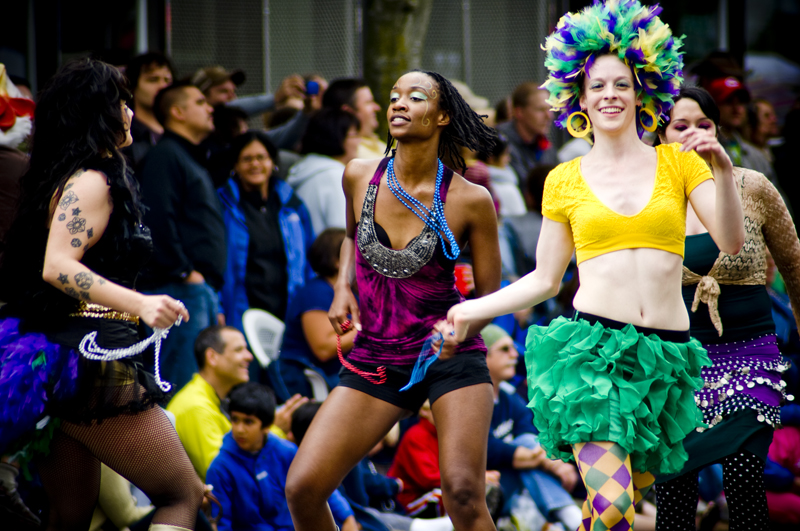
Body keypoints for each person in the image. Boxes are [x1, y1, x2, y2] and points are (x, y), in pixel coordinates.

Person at [445, 2, 745, 530]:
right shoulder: (564, 179)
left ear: (643, 91)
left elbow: (730, 240)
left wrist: (720, 166)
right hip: (593, 356)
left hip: (664, 360)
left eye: (622, 84)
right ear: (579, 98)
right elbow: (543, 279)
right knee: (613, 509)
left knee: (614, 517)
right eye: (597, 86)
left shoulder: (679, 162)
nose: (609, 95)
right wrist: (472, 310)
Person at [285, 69, 501, 531]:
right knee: (302, 486)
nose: (399, 104)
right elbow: (348, 236)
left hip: (449, 355)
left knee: (463, 493)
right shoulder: (359, 176)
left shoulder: (471, 199)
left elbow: (490, 297)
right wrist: (343, 288)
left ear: (442, 115)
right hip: (377, 355)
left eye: (415, 97)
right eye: (393, 96)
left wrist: (463, 328)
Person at [0, 58, 202, 531]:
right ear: (97, 113)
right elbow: (58, 266)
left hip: (61, 362)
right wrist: (142, 304)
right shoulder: (92, 180)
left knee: (71, 514)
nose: (130, 112)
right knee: (182, 496)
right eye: (122, 103)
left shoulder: (63, 176)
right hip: (85, 361)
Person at [652, 86, 799, 530]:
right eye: (681, 126)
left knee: (744, 480)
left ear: (718, 131)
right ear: (660, 136)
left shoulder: (751, 185)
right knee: (675, 496)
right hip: (678, 365)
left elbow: (793, 265)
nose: (694, 134)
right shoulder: (647, 197)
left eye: (704, 124)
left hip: (750, 359)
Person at [138, 81, 225, 393]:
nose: (210, 107)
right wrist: (184, 271)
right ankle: (171, 444)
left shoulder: (187, 156)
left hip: (197, 288)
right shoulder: (165, 155)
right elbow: (157, 217)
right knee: (180, 384)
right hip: (178, 287)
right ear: (177, 112)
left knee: (197, 386)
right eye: (201, 101)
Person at [205, 383, 358, 531]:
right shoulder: (220, 468)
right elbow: (221, 523)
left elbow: (318, 487)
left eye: (248, 422)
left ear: (266, 426)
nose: (239, 429)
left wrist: (347, 518)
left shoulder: (287, 452)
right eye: (235, 419)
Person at [481, 324, 582, 530]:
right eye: (504, 349)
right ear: (484, 356)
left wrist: (531, 457)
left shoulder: (510, 397)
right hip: (485, 492)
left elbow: (529, 435)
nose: (514, 354)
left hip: (517, 487)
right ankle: (571, 517)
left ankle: (569, 518)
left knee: (526, 448)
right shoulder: (473, 402)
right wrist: (550, 462)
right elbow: (486, 450)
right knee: (525, 450)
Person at [217, 130, 314, 333]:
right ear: (235, 166)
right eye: (247, 159)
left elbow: (310, 257)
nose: (255, 164)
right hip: (241, 308)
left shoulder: (291, 204)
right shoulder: (223, 205)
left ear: (273, 162)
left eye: (261, 157)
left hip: (288, 307)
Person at [166, 325, 253, 481]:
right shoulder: (197, 408)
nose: (249, 356)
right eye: (239, 350)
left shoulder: (210, 398)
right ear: (212, 357)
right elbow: (224, 476)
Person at [279, 228, 352, 397]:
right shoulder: (316, 293)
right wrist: (364, 330)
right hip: (311, 378)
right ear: (337, 261)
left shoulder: (349, 292)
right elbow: (324, 349)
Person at [285, 108, 361, 234]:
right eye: (355, 135)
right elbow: (343, 234)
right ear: (338, 138)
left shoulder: (304, 170)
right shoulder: (335, 177)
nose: (359, 142)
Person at [495, 82, 556, 187]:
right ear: (519, 112)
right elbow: (526, 189)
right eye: (541, 110)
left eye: (550, 109)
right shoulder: (500, 144)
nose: (549, 116)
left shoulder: (543, 143)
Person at [121, 51, 175, 169]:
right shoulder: (124, 134)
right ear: (133, 86)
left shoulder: (179, 132)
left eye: (167, 81)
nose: (163, 86)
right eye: (153, 80)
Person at [323, 78, 384, 159]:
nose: (377, 108)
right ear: (348, 112)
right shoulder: (352, 155)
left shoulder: (376, 143)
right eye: (368, 102)